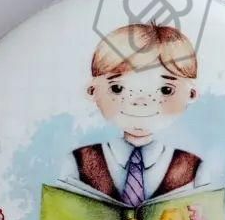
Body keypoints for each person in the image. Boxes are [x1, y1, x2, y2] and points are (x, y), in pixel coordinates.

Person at [72, 22, 202, 205]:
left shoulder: (194, 167)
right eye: (117, 88)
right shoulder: (77, 162)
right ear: (92, 90)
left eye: (165, 90)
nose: (141, 102)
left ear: (191, 94)